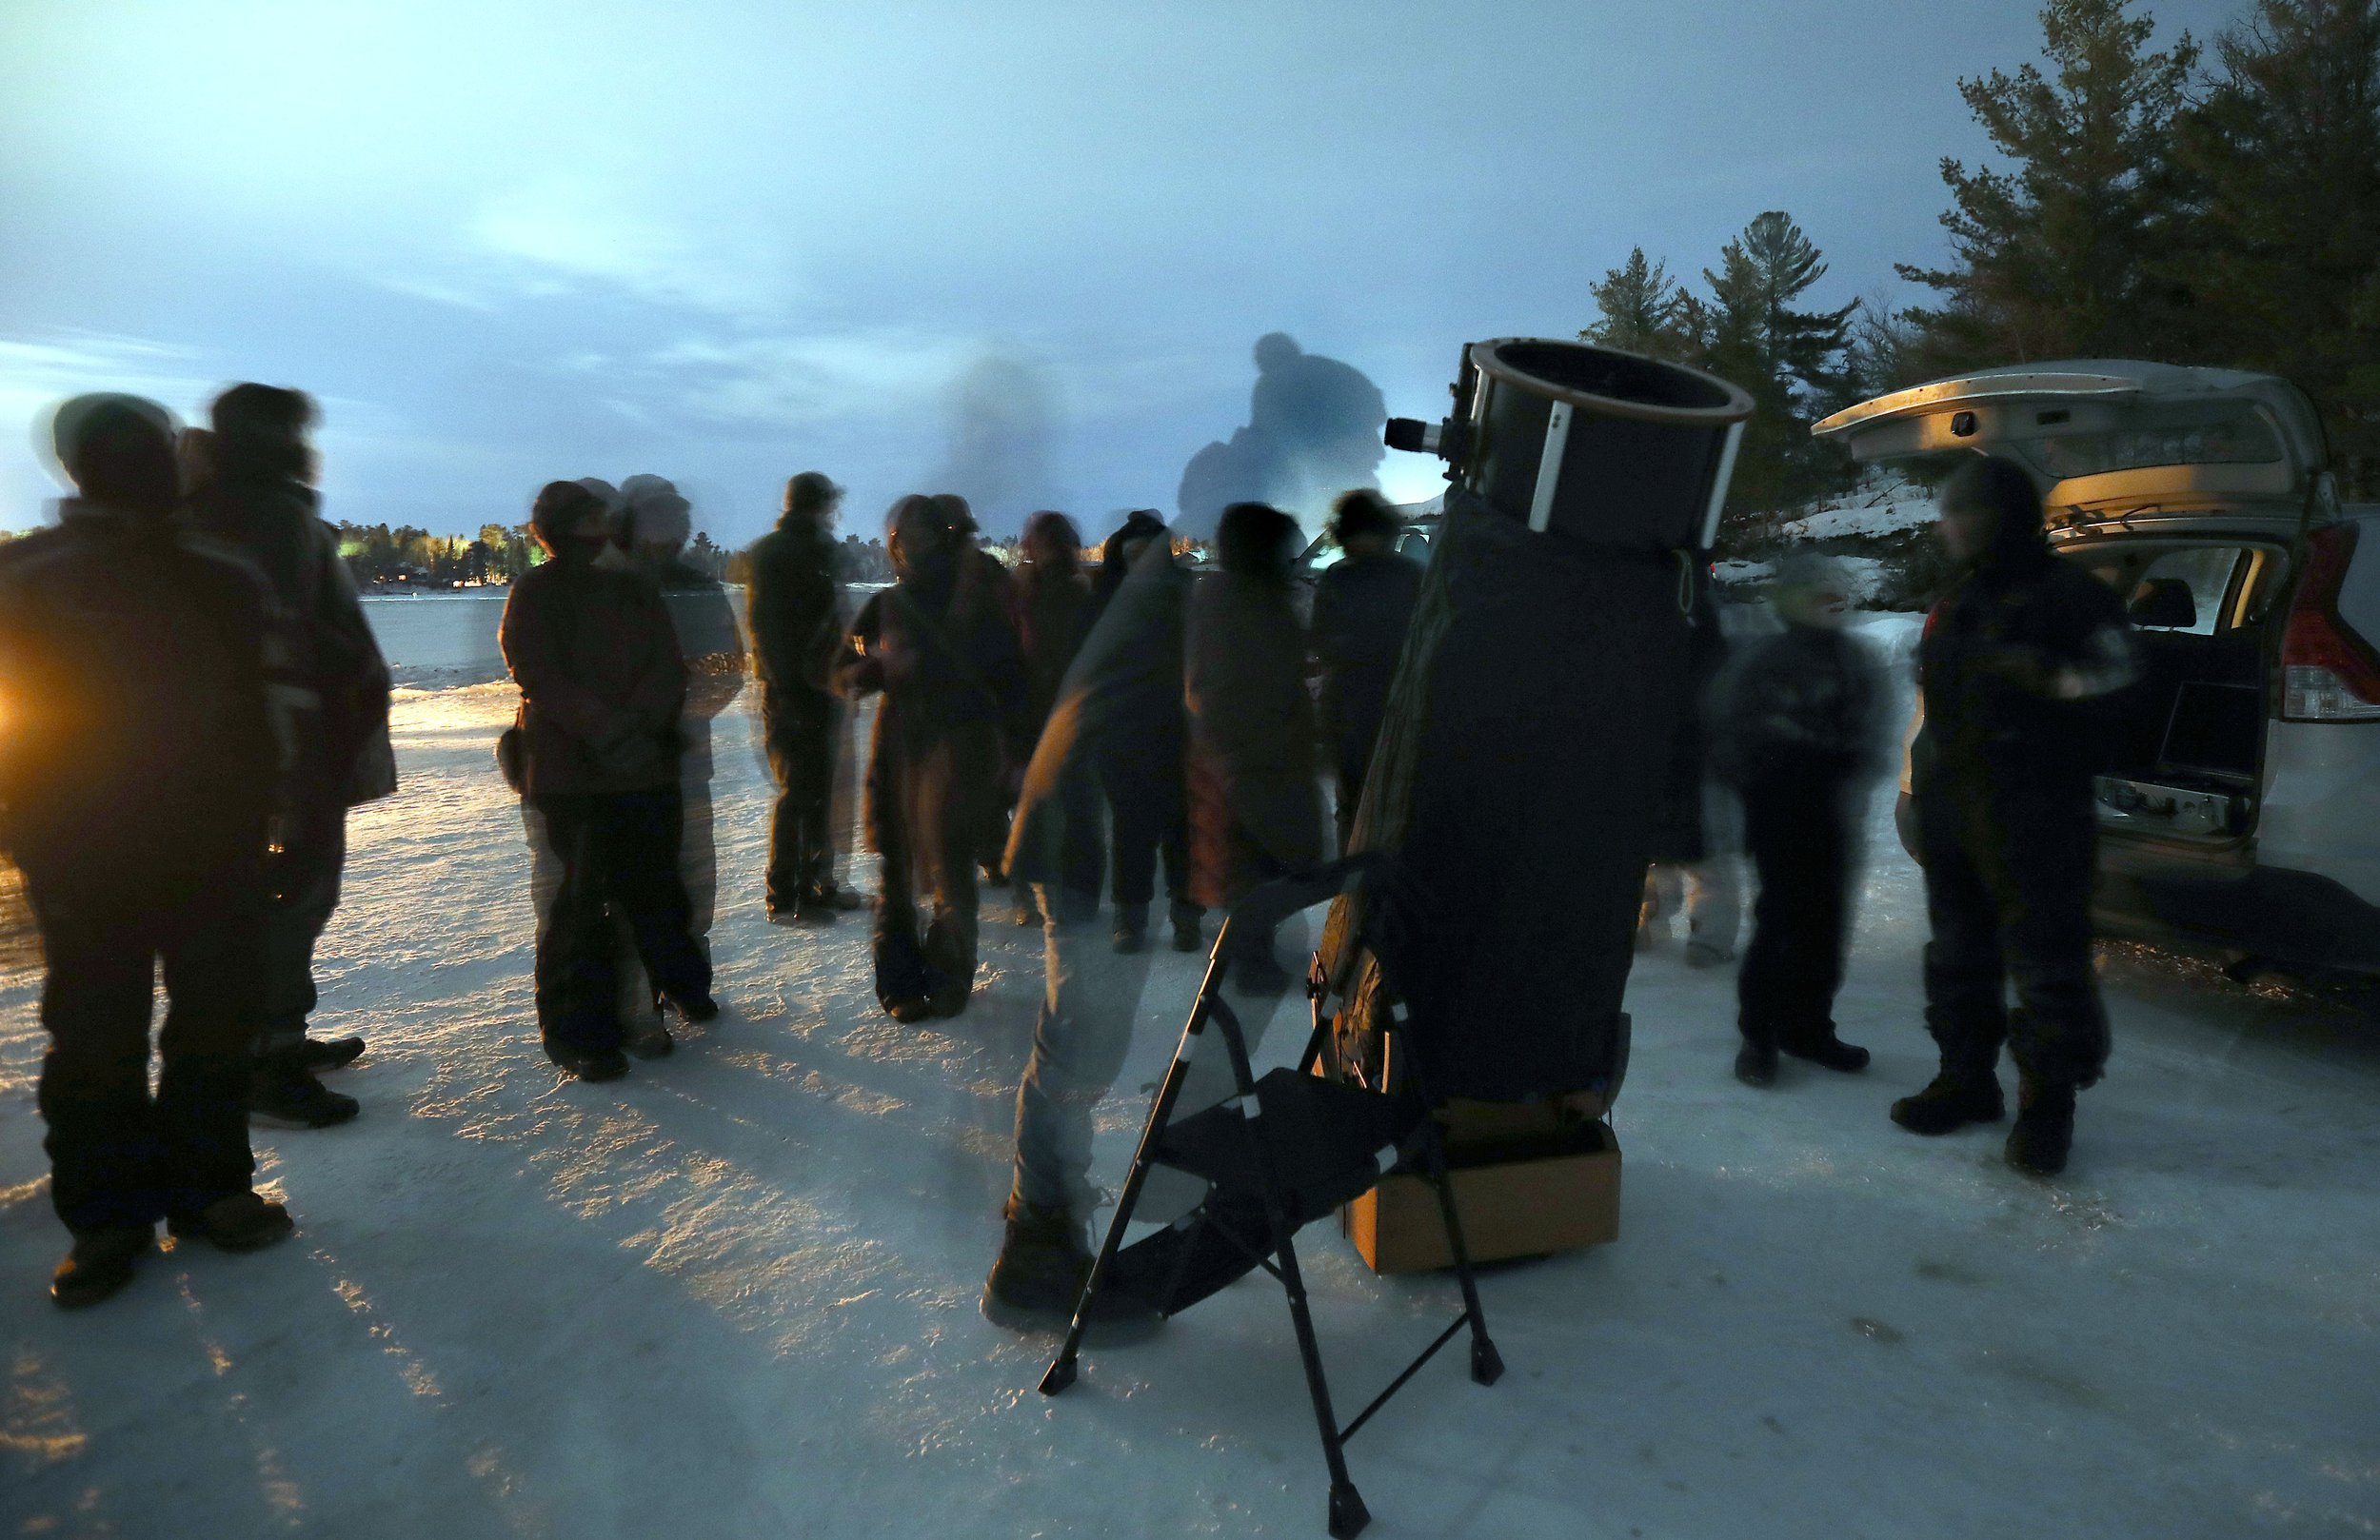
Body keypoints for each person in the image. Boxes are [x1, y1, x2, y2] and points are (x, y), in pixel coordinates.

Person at [0, 395, 295, 1307]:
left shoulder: (221, 572)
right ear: (78, 462)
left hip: (215, 839)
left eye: (156, 446)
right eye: (122, 448)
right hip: (81, 845)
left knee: (215, 1022)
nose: (149, 461)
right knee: (94, 1038)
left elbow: (264, 706)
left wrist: (273, 815)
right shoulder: (28, 574)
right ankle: (107, 1219)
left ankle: (212, 1189)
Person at [1892, 456, 2139, 1176]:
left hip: (2038, 810)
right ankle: (1966, 1082)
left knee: (2046, 962)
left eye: (1963, 510)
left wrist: (2047, 679)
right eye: (1949, 510)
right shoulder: (1961, 597)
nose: (1949, 524)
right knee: (1957, 954)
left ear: (2001, 515)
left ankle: (2046, 1107)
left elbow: (2124, 683)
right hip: (1956, 807)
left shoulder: (2072, 595)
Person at [980, 534, 1183, 1331]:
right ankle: (1035, 1246)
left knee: (1083, 1044)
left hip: (1085, 859)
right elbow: (1129, 780)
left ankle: (1050, 1222)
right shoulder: (1145, 653)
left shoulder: (1129, 637)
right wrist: (1133, 899)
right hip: (1081, 861)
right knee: (1077, 1046)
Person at [188, 384, 395, 1129]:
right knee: (286, 897)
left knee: (292, 899)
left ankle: (279, 1037)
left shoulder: (257, 506)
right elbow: (279, 640)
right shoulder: (261, 513)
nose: (308, 438)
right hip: (286, 750)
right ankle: (265, 1061)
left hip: (292, 742)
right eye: (295, 427)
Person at [501, 481, 713, 1081]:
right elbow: (535, 669)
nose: (601, 528)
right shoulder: (537, 589)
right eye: (589, 518)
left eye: (603, 518)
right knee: (579, 906)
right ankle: (578, 1032)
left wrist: (640, 727)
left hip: (639, 770)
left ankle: (649, 1005)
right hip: (574, 774)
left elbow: (666, 667)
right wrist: (610, 728)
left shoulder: (632, 587)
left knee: (649, 894)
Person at [834, 495, 1027, 1022]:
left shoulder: (976, 602)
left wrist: (1016, 755)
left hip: (962, 752)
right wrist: (876, 669)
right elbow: (839, 670)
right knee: (896, 872)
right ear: (895, 544)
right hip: (901, 753)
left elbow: (1013, 681)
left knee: (953, 871)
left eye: (926, 535)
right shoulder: (887, 606)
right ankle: (898, 983)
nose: (916, 547)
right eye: (906, 538)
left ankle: (948, 978)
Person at [1715, 553, 1884, 1087]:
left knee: (1826, 924)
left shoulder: (1854, 658)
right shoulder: (1766, 659)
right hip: (1779, 814)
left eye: (1836, 595)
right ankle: (1760, 1034)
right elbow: (1733, 735)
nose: (1830, 604)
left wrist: (1853, 766)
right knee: (1782, 922)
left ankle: (1808, 1026)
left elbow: (1871, 729)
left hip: (1832, 816)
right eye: (1818, 594)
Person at [616, 474, 745, 1056]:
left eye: (677, 516)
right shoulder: (609, 583)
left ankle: (688, 982)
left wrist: (678, 717)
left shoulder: (695, 585)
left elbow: (726, 667)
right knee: (634, 885)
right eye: (659, 515)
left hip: (684, 758)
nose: (671, 527)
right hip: (620, 763)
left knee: (693, 882)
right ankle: (638, 999)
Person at [1183, 502, 1326, 995]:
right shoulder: (1234, 602)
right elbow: (1224, 689)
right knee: (1250, 863)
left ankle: (1254, 956)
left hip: (1256, 758)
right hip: (1248, 761)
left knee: (1256, 863)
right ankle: (1251, 966)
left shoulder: (1243, 596)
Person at [1090, 510, 1202, 954]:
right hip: (1124, 731)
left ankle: (1186, 915)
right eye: (1133, 554)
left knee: (1182, 828)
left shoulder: (1183, 593)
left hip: (1178, 726)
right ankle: (1130, 917)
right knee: (1132, 830)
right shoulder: (1105, 597)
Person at [747, 471, 852, 922]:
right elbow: (771, 629)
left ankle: (813, 882)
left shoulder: (795, 550)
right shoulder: (796, 553)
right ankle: (788, 891)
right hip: (798, 690)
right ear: (820, 504)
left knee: (814, 787)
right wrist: (793, 683)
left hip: (802, 687)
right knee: (802, 789)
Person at [1310, 488, 1422, 850]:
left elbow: (1321, 640)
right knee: (1380, 806)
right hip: (1384, 707)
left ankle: (1355, 885)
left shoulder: (1341, 578)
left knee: (1358, 806)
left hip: (1361, 708)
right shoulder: (1410, 575)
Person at [1007, 511, 1102, 925]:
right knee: (1078, 808)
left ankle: (1031, 893)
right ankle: (1074, 896)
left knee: (1037, 805)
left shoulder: (1034, 592)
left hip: (1040, 711)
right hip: (1070, 713)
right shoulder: (1080, 591)